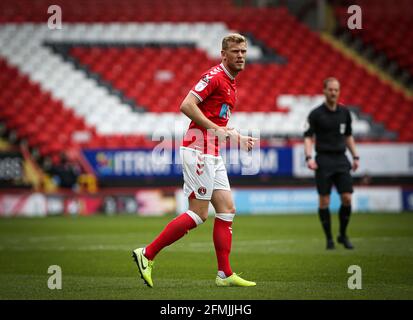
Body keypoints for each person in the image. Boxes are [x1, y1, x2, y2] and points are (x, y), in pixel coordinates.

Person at [132, 33, 258, 287]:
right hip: (198, 150)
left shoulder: (231, 83)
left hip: (212, 151)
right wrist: (216, 129)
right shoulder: (214, 77)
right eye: (235, 52)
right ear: (224, 55)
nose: (241, 56)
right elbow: (186, 105)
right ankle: (147, 253)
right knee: (199, 213)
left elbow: (219, 122)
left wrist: (236, 136)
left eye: (243, 51)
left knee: (226, 209)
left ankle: (224, 274)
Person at [304, 77, 360, 250]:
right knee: (324, 200)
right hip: (324, 159)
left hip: (341, 159)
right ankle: (329, 239)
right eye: (331, 90)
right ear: (324, 90)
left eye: (336, 90)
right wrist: (309, 157)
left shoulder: (345, 113)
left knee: (347, 197)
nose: (333, 93)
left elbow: (348, 136)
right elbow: (308, 137)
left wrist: (355, 156)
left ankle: (342, 235)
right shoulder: (315, 114)